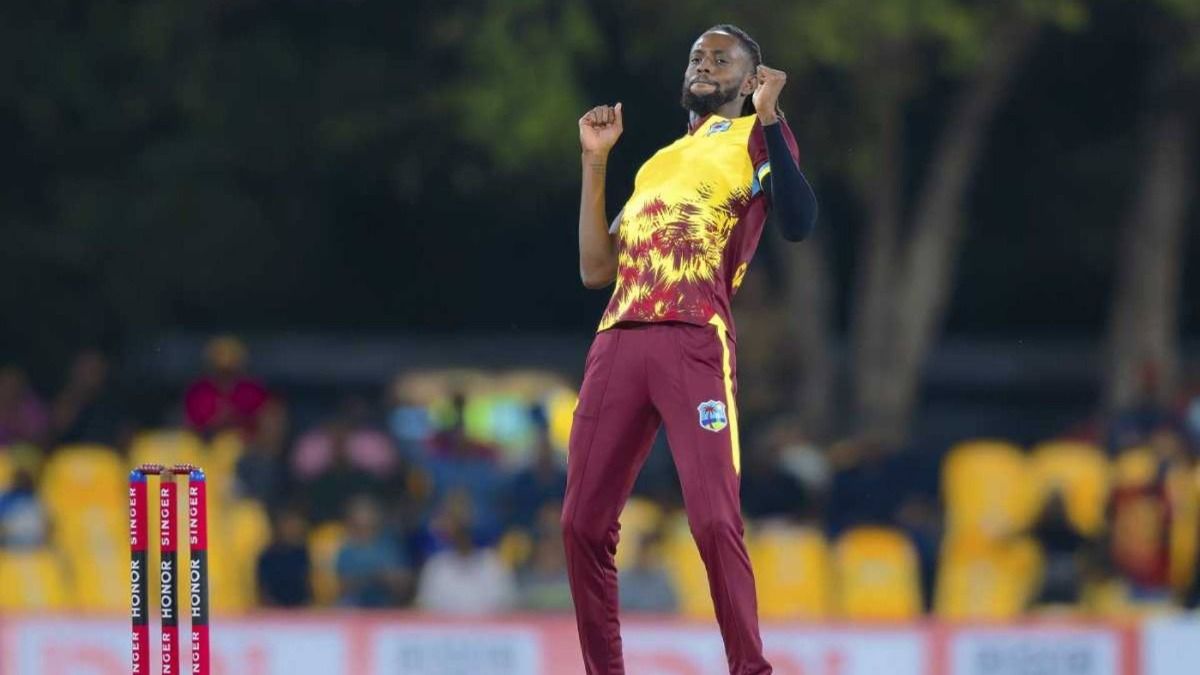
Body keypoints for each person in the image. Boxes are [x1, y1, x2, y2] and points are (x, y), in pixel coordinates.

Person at [565, 24, 816, 675]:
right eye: (697, 56)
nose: (704, 64)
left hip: (693, 338)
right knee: (581, 526)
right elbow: (597, 269)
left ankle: (750, 669)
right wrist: (595, 161)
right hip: (617, 340)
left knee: (712, 520)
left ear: (751, 80)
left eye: (721, 58)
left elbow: (797, 222)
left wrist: (770, 116)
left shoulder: (757, 136)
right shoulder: (658, 162)